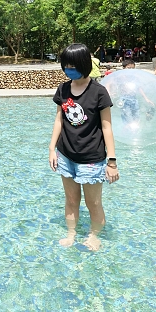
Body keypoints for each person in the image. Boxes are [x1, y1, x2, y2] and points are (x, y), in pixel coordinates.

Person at [49, 43, 119, 251]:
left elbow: (107, 128)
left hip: (91, 158)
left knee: (93, 203)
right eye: (65, 65)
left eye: (73, 65)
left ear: (84, 65)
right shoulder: (63, 89)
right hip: (65, 155)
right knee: (71, 199)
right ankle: (71, 233)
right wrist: (52, 148)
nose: (68, 69)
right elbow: (59, 120)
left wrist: (112, 161)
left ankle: (94, 235)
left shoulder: (98, 92)